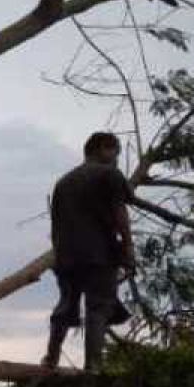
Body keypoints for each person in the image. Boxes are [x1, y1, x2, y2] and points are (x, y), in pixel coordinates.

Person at [42, 131, 135, 371]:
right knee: (99, 307)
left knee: (66, 304)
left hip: (66, 256)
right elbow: (120, 214)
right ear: (103, 148)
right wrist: (128, 251)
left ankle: (50, 359)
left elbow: (56, 223)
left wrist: (59, 256)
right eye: (115, 152)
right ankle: (93, 368)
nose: (116, 158)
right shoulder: (109, 174)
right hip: (98, 255)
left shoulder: (63, 182)